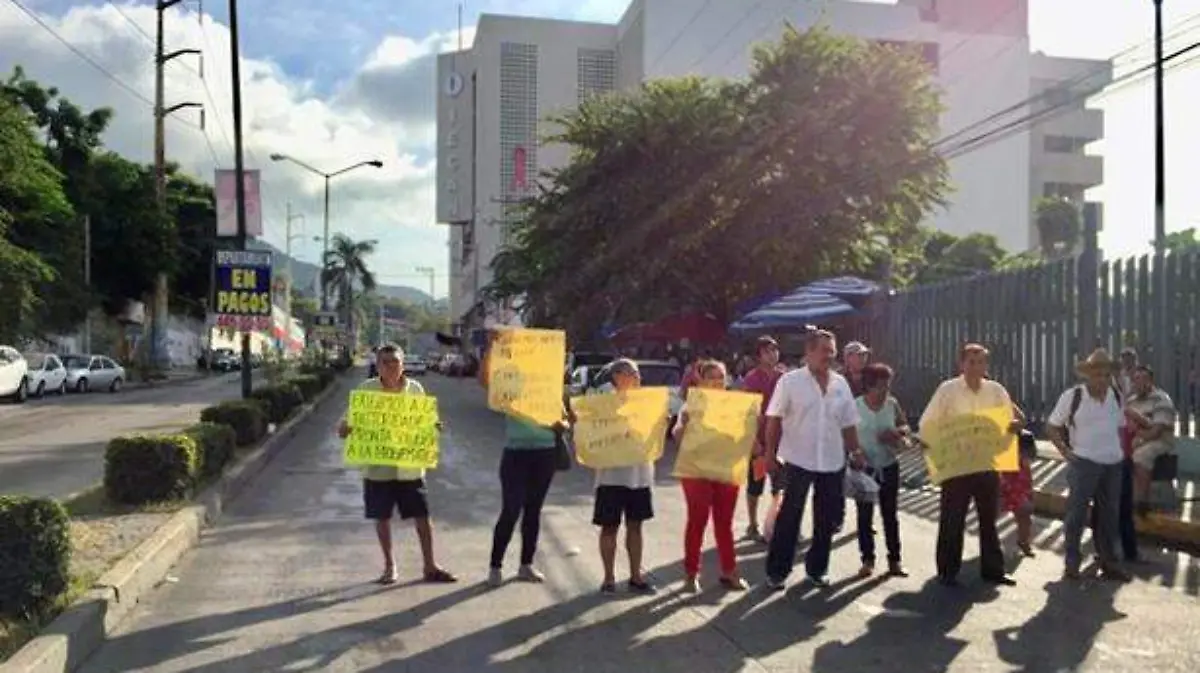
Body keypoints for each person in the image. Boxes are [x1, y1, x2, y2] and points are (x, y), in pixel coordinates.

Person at [337, 343, 457, 585]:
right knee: (382, 517)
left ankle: (430, 565)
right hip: (378, 467)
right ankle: (389, 567)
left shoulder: (415, 389)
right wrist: (345, 428)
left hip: (409, 467)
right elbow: (344, 427)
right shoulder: (366, 391)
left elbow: (428, 421)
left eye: (395, 362)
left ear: (403, 365)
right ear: (377, 365)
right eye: (385, 362)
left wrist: (434, 427)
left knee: (422, 516)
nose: (391, 366)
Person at [762, 330, 865, 590]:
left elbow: (849, 423)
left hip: (831, 461)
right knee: (789, 516)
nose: (828, 356)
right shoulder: (790, 381)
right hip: (797, 459)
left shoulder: (840, 384)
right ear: (808, 352)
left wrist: (855, 452)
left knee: (826, 518)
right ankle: (777, 572)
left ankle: (817, 569)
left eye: (832, 351)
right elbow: (773, 418)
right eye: (823, 350)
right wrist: (769, 454)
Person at [919, 343, 1020, 587]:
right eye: (971, 362)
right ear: (961, 364)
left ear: (987, 365)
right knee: (953, 519)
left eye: (981, 362)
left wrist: (1013, 426)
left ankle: (994, 570)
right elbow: (928, 424)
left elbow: (1010, 420)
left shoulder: (996, 391)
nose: (976, 367)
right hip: (957, 466)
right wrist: (935, 456)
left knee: (989, 520)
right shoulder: (948, 390)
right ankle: (947, 571)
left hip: (987, 463)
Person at [482, 331, 570, 588]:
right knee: (511, 510)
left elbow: (566, 419)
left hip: (544, 454)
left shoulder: (549, 388)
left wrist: (560, 424)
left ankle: (526, 566)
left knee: (533, 511)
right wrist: (491, 349)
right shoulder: (510, 384)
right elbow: (485, 380)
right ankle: (495, 567)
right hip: (516, 454)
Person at [1045, 349, 1131, 582]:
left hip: (1113, 464)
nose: (1103, 379)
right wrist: (1065, 452)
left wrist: (1122, 452)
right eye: (1098, 375)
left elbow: (1121, 426)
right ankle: (1072, 563)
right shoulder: (1073, 396)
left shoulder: (1116, 395)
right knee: (1076, 514)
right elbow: (1052, 426)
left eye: (1106, 375)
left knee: (1110, 516)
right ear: (1088, 375)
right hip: (1084, 463)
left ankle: (1109, 562)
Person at [673, 360, 748, 592]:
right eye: (711, 377)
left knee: (724, 523)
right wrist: (683, 426)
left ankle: (729, 571)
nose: (716, 382)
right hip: (696, 471)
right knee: (697, 520)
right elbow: (677, 436)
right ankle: (691, 573)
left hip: (725, 469)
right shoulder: (690, 406)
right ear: (700, 381)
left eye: (721, 377)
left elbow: (746, 436)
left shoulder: (736, 406)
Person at [592, 358, 657, 594]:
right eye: (630, 373)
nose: (636, 378)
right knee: (609, 527)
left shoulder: (648, 403)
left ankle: (636, 576)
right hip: (611, 477)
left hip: (639, 476)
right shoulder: (603, 401)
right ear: (616, 376)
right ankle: (609, 578)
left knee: (636, 526)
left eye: (637, 374)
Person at [853, 362, 910, 578]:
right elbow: (845, 433)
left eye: (888, 386)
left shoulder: (892, 404)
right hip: (864, 469)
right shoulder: (855, 406)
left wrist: (896, 433)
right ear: (868, 386)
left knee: (890, 514)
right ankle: (867, 560)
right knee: (865, 516)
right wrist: (855, 453)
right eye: (881, 387)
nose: (886, 391)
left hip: (888, 465)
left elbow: (905, 427)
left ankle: (894, 560)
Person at [740, 335, 785, 543]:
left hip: (781, 442)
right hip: (758, 440)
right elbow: (746, 413)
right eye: (767, 351)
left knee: (780, 485)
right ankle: (752, 523)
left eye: (775, 350)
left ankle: (776, 523)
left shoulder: (784, 377)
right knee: (756, 484)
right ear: (759, 355)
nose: (773, 354)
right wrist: (753, 441)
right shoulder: (751, 379)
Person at [1123, 364, 1176, 516]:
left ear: (1151, 381)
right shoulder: (1132, 401)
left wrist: (1138, 437)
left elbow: (1156, 432)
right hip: (1136, 438)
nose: (1139, 383)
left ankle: (1142, 501)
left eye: (1143, 379)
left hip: (1160, 441)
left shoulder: (1161, 399)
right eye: (1136, 379)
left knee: (1141, 454)